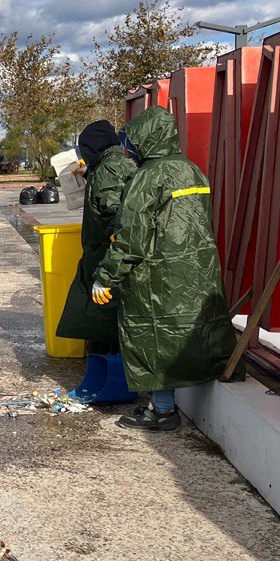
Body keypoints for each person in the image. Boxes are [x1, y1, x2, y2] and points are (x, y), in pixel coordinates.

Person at [92, 106, 235, 431]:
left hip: (156, 273)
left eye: (133, 140)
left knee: (154, 334)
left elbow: (131, 239)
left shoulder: (146, 178)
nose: (129, 147)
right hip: (196, 269)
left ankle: (163, 411)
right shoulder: (193, 171)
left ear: (146, 139)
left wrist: (105, 277)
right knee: (187, 330)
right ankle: (167, 404)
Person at [55, 119, 138, 403]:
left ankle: (112, 376)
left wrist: (110, 262)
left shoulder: (107, 171)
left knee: (99, 314)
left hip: (105, 257)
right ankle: (105, 366)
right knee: (99, 314)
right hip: (107, 257)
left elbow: (115, 212)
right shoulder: (119, 164)